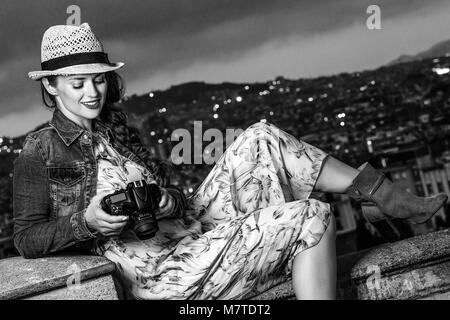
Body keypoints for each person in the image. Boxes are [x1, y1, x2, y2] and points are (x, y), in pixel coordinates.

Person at [13, 23, 448, 300]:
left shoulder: (116, 132)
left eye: (99, 80)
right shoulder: (41, 149)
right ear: (51, 87)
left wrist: (166, 200)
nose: (92, 92)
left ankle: (378, 191)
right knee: (311, 214)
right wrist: (88, 222)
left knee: (260, 136)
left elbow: (178, 200)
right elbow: (27, 238)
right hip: (164, 273)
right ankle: (377, 199)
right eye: (76, 83)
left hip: (189, 235)